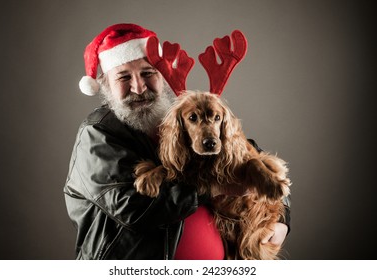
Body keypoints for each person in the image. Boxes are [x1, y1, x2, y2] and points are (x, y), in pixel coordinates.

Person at [64, 23, 290, 260]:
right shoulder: (98, 133)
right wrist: (216, 187)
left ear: (161, 76)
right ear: (106, 84)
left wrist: (282, 220)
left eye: (148, 73)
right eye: (123, 77)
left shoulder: (180, 118)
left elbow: (251, 157)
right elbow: (132, 208)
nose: (139, 87)